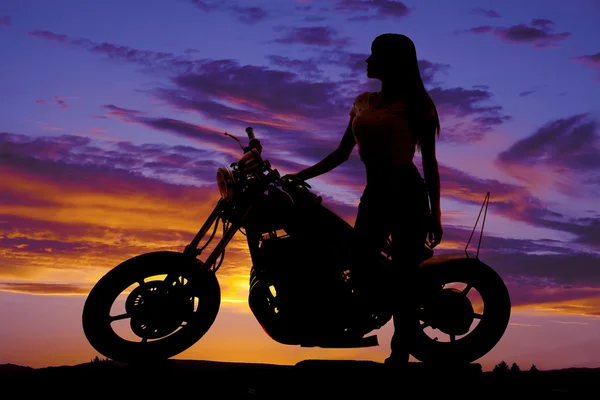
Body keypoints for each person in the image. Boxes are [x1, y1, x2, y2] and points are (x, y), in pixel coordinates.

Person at [284, 33, 443, 365]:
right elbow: (342, 153)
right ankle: (364, 314)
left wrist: (435, 213)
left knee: (403, 273)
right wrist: (301, 175)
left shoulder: (417, 105)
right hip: (375, 194)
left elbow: (429, 162)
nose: (367, 61)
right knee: (357, 263)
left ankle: (400, 353)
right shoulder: (362, 102)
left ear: (393, 62)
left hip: (407, 194)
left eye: (374, 55)